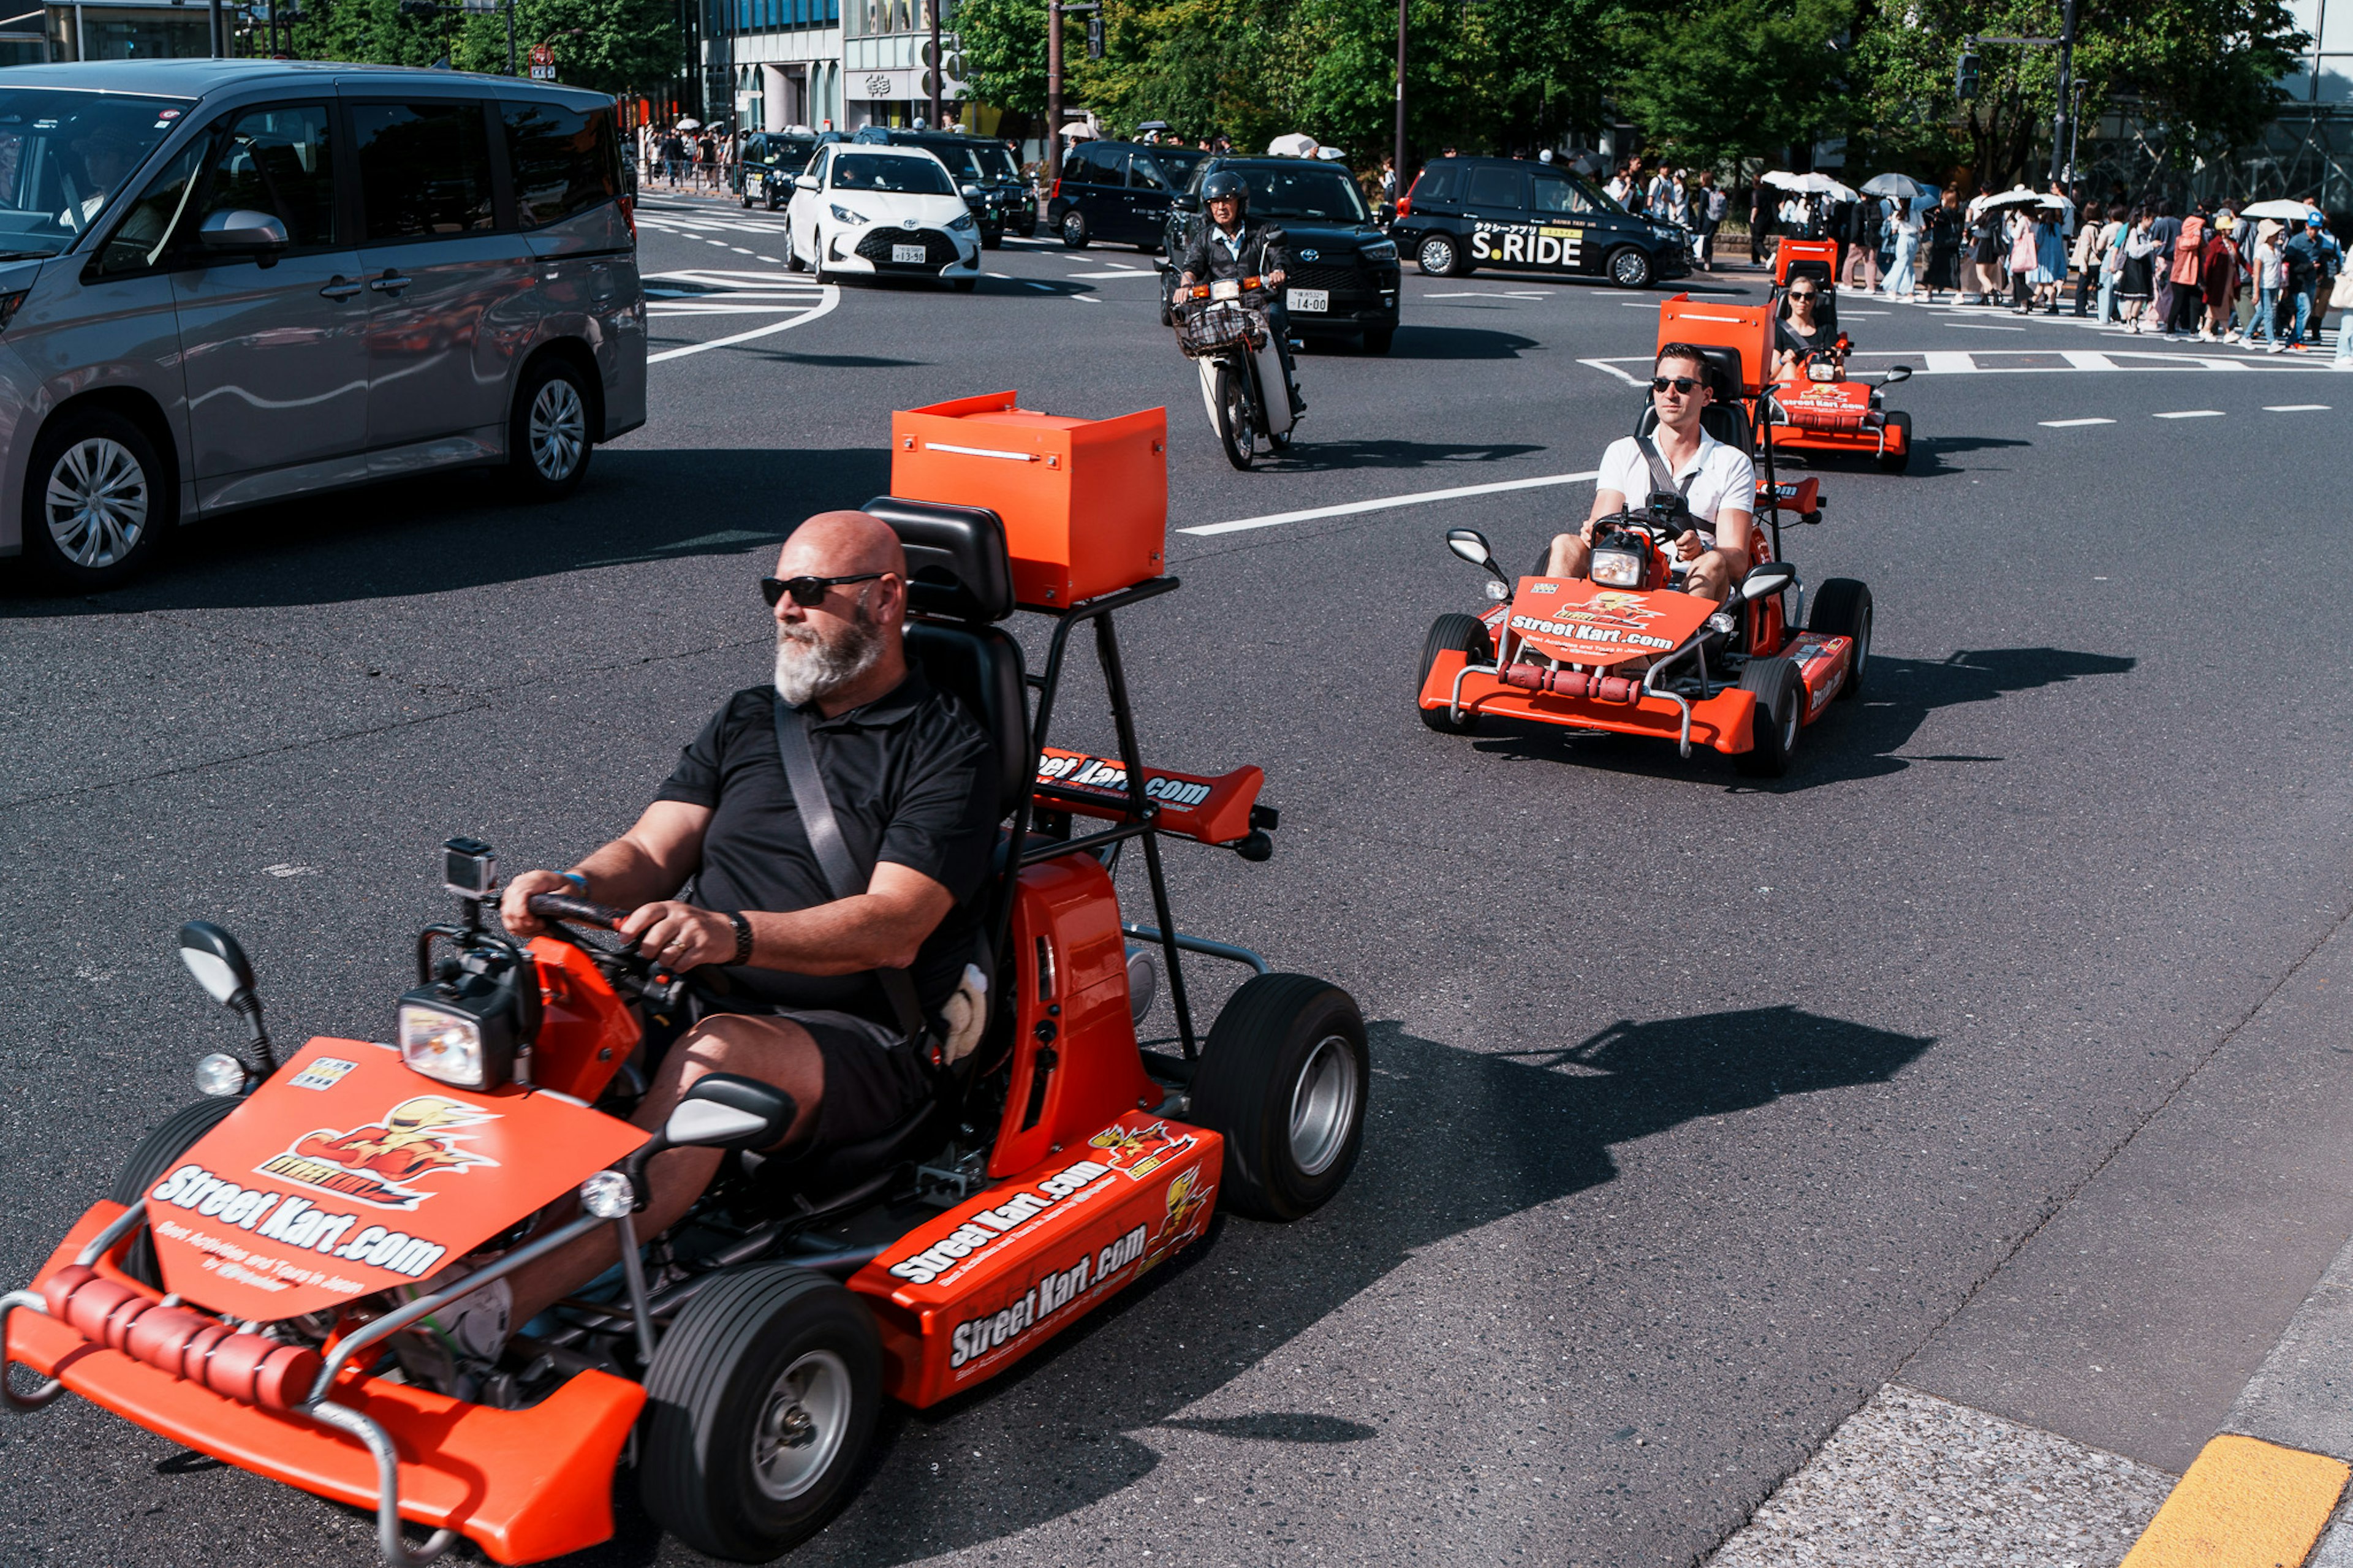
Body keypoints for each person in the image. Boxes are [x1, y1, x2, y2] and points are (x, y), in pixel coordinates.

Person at [389, 511, 1002, 1390]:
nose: (784, 610)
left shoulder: (947, 745)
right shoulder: (754, 718)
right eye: (775, 591)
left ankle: (482, 1309)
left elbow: (895, 922)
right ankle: (395, 1236)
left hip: (858, 1034)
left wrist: (734, 931)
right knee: (512, 1007)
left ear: (886, 597)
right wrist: (571, 885)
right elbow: (649, 852)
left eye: (808, 591)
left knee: (714, 1061)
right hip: (697, 982)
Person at [1544, 344, 1757, 604]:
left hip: (1689, 581)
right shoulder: (1623, 451)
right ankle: (1539, 640)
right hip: (1622, 571)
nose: (1670, 394)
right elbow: (1602, 523)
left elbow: (1736, 561)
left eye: (1684, 385)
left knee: (1712, 562)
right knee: (1566, 544)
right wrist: (1596, 533)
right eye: (1661, 384)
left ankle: (1679, 639)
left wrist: (1702, 550)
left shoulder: (1733, 463)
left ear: (1706, 395)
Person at [1176, 169, 1303, 418]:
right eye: (1214, 203)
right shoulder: (1204, 239)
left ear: (1240, 203)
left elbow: (1281, 257)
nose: (1221, 207)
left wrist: (1278, 271)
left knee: (1274, 322)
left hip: (1260, 302)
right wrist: (1185, 286)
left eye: (1226, 201)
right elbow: (1192, 267)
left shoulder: (1265, 231)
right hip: (1222, 304)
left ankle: (1287, 394)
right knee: (1201, 331)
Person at [2283, 214, 2331, 352]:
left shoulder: (2320, 241)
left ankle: (2293, 339)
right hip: (2298, 282)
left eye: (2316, 228)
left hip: (2312, 281)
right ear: (2306, 226)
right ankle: (2297, 339)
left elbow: (2321, 257)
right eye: (2311, 228)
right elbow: (2290, 263)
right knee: (2305, 310)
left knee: (2304, 311)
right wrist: (2309, 266)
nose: (2313, 231)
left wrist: (2322, 270)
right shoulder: (2296, 241)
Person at [1772, 277, 1833, 376]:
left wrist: (1837, 359)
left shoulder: (1826, 328)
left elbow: (1834, 359)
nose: (1802, 300)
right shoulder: (1778, 330)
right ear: (1790, 299)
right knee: (1789, 367)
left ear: (1814, 300)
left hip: (1818, 377)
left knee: (1839, 370)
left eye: (1808, 297)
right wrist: (1782, 360)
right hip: (1787, 382)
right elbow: (1770, 374)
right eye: (1797, 296)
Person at [2116, 208, 2158, 332]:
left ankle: (2130, 320)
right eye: (2152, 220)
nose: (2153, 223)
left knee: (2139, 296)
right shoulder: (2135, 231)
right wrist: (2151, 246)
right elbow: (2134, 252)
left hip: (2144, 266)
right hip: (2135, 265)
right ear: (2145, 219)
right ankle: (2130, 320)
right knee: (2136, 296)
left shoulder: (2147, 232)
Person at [2199, 215, 2239, 342]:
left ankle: (2206, 329)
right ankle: (2226, 331)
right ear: (2222, 230)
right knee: (2221, 303)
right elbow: (2209, 263)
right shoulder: (2215, 244)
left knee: (2217, 305)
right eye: (2228, 228)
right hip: (2218, 279)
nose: (2231, 231)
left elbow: (2240, 259)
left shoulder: (2231, 243)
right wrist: (2205, 279)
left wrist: (2251, 271)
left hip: (2228, 277)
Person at [2248, 220, 2287, 350]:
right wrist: (2256, 291)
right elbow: (2257, 273)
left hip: (2274, 285)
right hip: (2264, 285)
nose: (2277, 235)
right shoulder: (2261, 251)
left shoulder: (2277, 248)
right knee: (2269, 314)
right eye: (2274, 233)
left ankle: (2246, 335)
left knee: (2262, 312)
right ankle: (2272, 342)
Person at [1881, 197, 1922, 301]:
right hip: (1914, 239)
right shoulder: (1917, 213)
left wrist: (1891, 221)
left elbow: (1894, 231)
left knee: (1901, 263)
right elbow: (1923, 227)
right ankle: (1909, 291)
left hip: (1903, 239)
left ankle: (1893, 289)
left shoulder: (1897, 214)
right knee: (1908, 265)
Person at [1925, 189, 1961, 301]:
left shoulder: (1942, 214)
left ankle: (1929, 293)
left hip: (1941, 244)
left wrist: (1934, 221)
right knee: (1953, 270)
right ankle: (1959, 293)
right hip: (1953, 245)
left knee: (1935, 268)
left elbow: (1937, 228)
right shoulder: (1958, 214)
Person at [2069, 202, 2104, 315]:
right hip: (2101, 261)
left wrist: (2083, 266)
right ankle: (2106, 310)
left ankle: (2080, 311)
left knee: (2082, 289)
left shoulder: (2087, 229)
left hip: (2090, 261)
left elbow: (2085, 248)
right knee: (2101, 287)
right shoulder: (2103, 226)